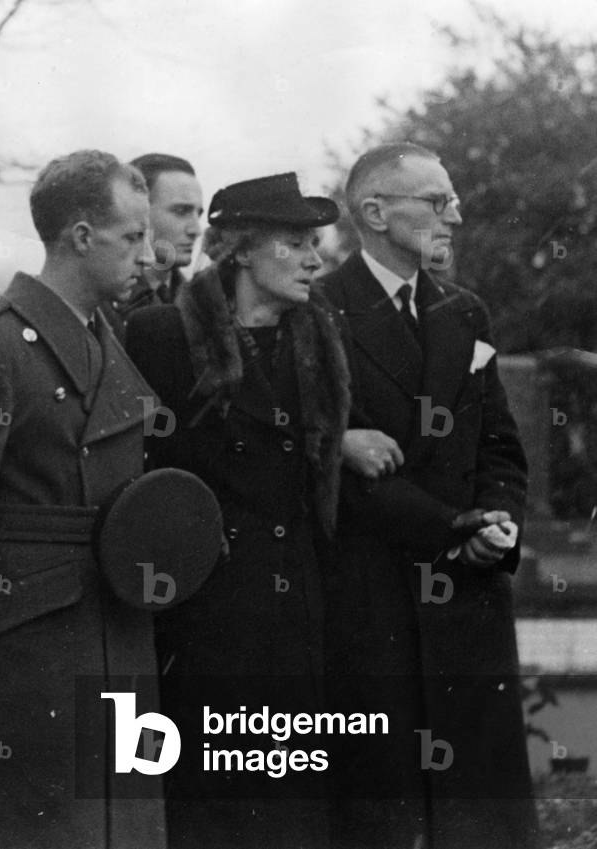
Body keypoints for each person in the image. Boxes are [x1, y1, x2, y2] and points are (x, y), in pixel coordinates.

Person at [0, 149, 165, 849]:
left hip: (116, 630)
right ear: (81, 236)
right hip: (26, 650)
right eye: (131, 237)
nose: (147, 256)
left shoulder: (107, 344)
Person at [321, 142, 537, 849]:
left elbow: (498, 444)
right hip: (373, 603)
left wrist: (497, 519)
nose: (457, 215)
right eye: (437, 201)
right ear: (374, 212)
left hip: (467, 601)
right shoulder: (317, 312)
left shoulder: (462, 312)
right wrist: (453, 524)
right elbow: (340, 473)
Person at [125, 173, 351, 849]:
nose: (314, 258)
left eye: (315, 243)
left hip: (295, 603)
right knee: (204, 804)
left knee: (287, 805)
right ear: (241, 250)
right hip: (200, 610)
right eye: (294, 242)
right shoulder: (162, 333)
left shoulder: (317, 340)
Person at [101, 152, 203, 340]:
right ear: (139, 212)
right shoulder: (103, 302)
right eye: (181, 211)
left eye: (199, 214)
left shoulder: (198, 304)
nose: (196, 230)